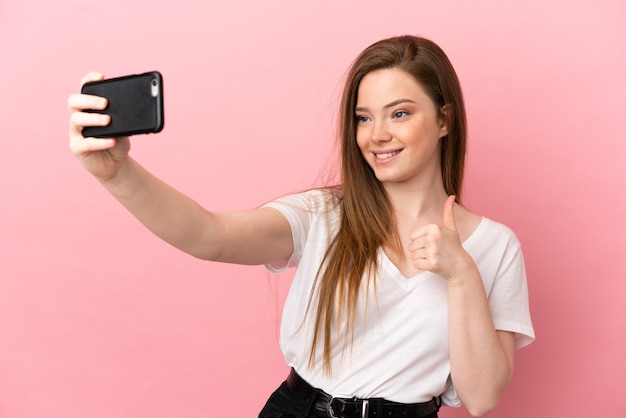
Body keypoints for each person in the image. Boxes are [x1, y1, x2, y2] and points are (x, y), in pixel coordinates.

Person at [68, 35, 534, 418]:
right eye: (363, 118)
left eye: (400, 113)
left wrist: (460, 273)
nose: (377, 135)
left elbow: (483, 397)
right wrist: (118, 174)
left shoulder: (494, 246)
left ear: (444, 120)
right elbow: (209, 236)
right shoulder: (323, 215)